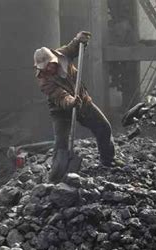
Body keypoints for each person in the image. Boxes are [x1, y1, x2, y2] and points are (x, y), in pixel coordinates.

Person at [34, 31, 115, 182]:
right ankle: (56, 175)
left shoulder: (61, 55)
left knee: (104, 127)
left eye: (48, 66)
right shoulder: (44, 81)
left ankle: (107, 161)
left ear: (53, 60)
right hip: (61, 110)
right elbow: (60, 97)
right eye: (43, 68)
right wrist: (71, 102)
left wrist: (79, 40)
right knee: (61, 142)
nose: (47, 70)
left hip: (82, 102)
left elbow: (73, 47)